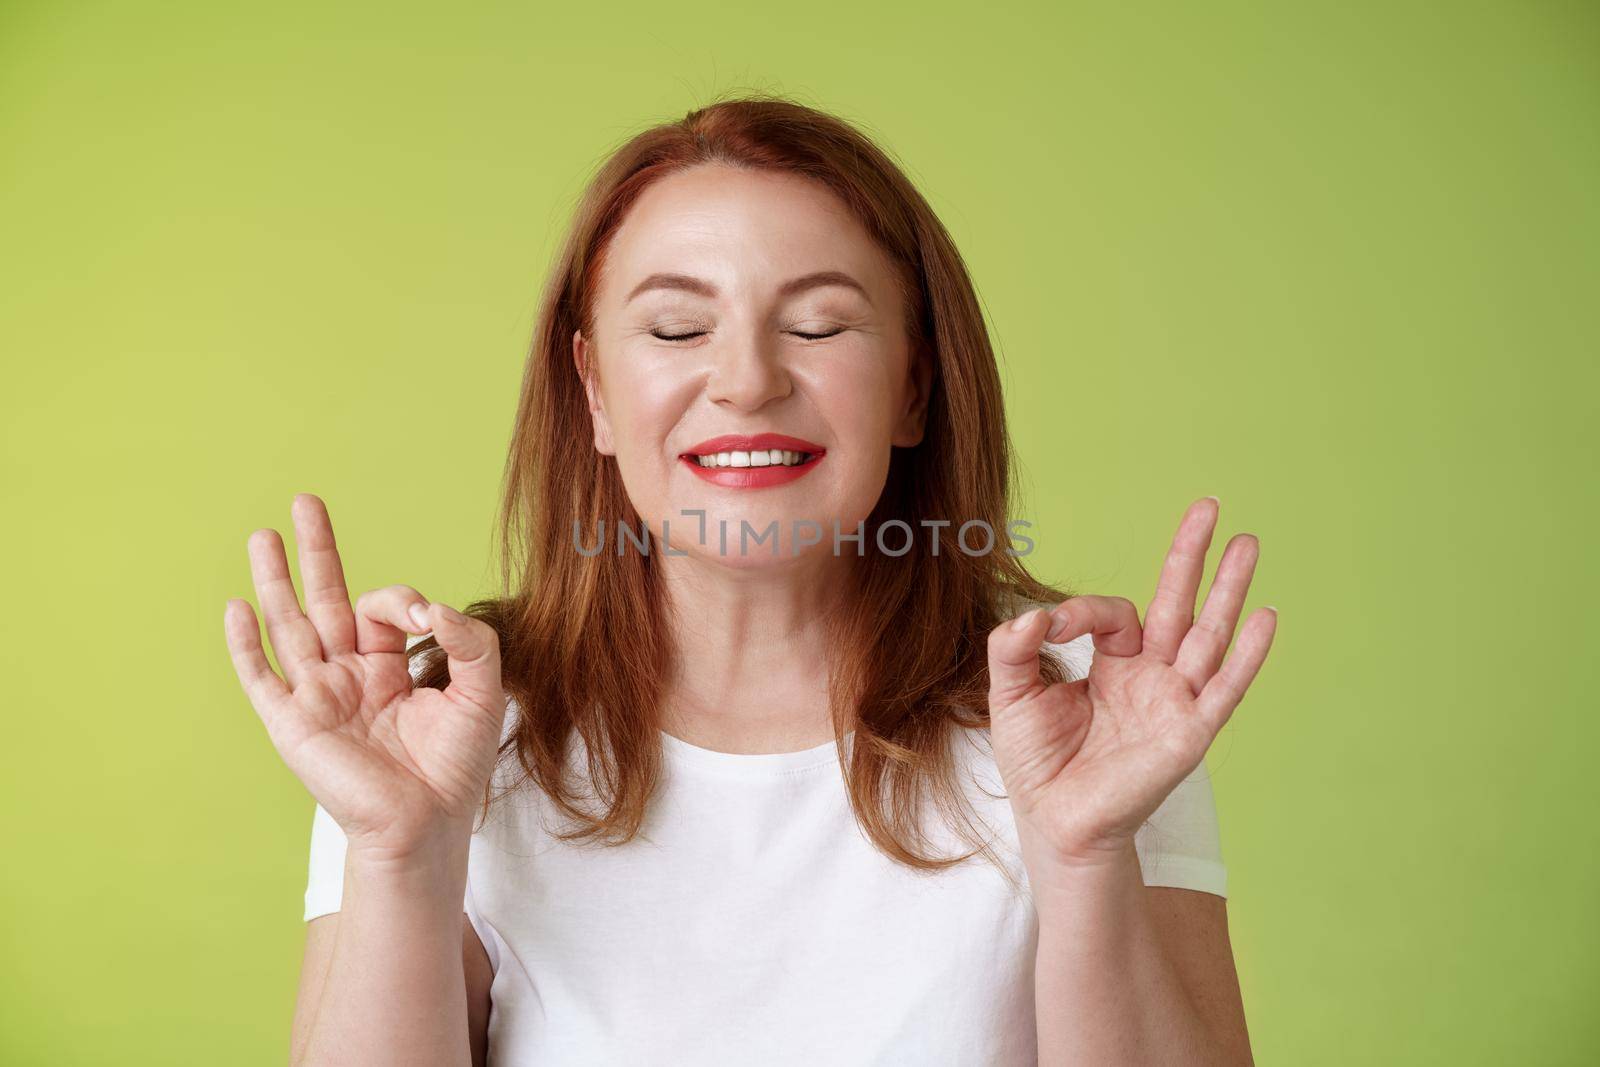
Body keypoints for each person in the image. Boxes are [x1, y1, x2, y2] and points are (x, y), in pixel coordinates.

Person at [222, 92, 1276, 1066]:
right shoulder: (445, 732)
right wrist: (401, 850)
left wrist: (1085, 856)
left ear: (913, 386)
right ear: (592, 391)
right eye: (678, 328)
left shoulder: (1085, 718)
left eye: (817, 325)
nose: (747, 381)